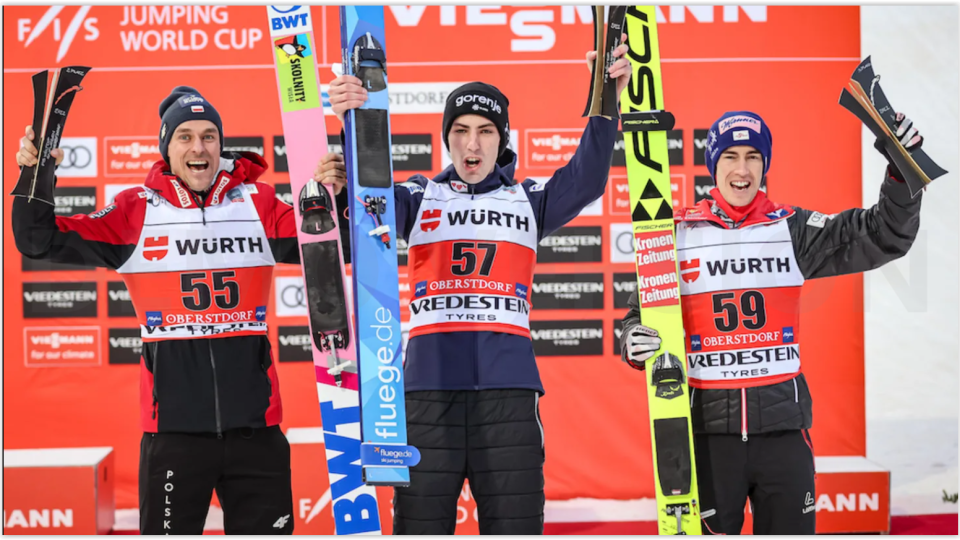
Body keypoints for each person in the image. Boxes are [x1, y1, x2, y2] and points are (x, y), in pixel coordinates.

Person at [315, 38, 632, 534]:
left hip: (507, 397)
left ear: (503, 139)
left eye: (485, 131)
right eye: (460, 131)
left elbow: (587, 179)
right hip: (426, 397)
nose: (472, 144)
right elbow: (368, 199)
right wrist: (348, 126)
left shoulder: (528, 199)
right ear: (447, 138)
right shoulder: (420, 196)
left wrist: (606, 95)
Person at [12, 86, 342, 535]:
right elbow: (38, 240)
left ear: (221, 145)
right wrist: (36, 173)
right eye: (184, 136)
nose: (198, 147)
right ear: (166, 147)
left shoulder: (258, 203)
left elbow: (328, 241)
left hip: (256, 430)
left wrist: (335, 188)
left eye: (209, 136)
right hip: (173, 433)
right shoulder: (134, 211)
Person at [619, 110, 928, 535]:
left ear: (765, 165)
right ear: (713, 165)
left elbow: (884, 234)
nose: (742, 169)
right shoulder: (677, 233)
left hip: (783, 434)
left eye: (752, 157)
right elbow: (638, 317)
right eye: (730, 156)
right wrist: (633, 340)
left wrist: (902, 168)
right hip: (708, 437)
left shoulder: (792, 228)